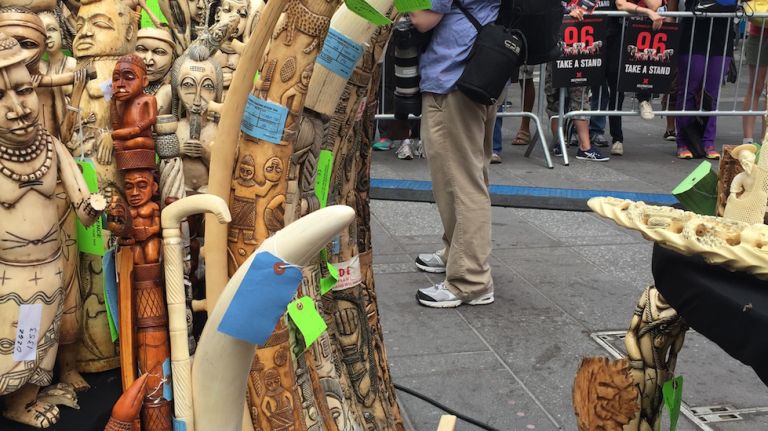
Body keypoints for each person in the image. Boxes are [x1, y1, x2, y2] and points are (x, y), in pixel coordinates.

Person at [410, 0, 500, 308]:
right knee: (470, 175)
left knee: (460, 182)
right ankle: (456, 253)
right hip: (483, 72)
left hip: (454, 78)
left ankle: (470, 280)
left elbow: (423, 17)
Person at [547, 4, 609, 162]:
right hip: (555, 47)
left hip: (581, 47)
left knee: (580, 96)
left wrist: (584, 11)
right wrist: (566, 12)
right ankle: (558, 142)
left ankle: (585, 147)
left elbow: (593, 6)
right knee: (554, 98)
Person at [675, 0, 734, 159]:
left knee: (712, 92)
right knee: (689, 88)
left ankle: (708, 141)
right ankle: (683, 141)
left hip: (723, 31)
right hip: (694, 30)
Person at [589, 0, 628, 156]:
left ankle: (617, 138)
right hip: (591, 37)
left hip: (615, 40)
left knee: (617, 91)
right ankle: (577, 129)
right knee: (589, 87)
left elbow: (622, 5)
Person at [615, 0, 665, 120]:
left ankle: (644, 100)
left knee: (645, 70)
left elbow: (654, 4)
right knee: (614, 80)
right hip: (620, 30)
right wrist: (646, 11)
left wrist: (648, 10)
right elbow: (621, 4)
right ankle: (612, 133)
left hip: (646, 31)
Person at [742, 13, 768, 145]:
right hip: (758, 31)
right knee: (755, 88)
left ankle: (766, 140)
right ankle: (748, 141)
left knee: (757, 89)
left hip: (758, 31)